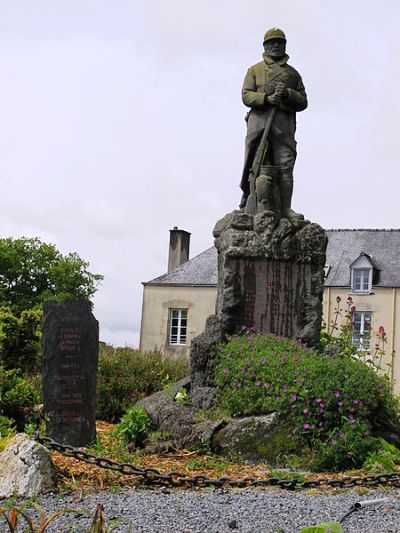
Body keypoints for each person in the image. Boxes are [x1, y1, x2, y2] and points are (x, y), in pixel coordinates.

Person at [239, 28, 307, 218]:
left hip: (283, 124)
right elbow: (246, 95)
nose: (276, 46)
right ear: (265, 46)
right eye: (272, 43)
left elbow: (303, 101)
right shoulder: (254, 70)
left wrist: (287, 94)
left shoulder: (293, 74)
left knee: (285, 164)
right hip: (259, 123)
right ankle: (247, 195)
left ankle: (285, 207)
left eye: (279, 42)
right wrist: (267, 99)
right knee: (254, 161)